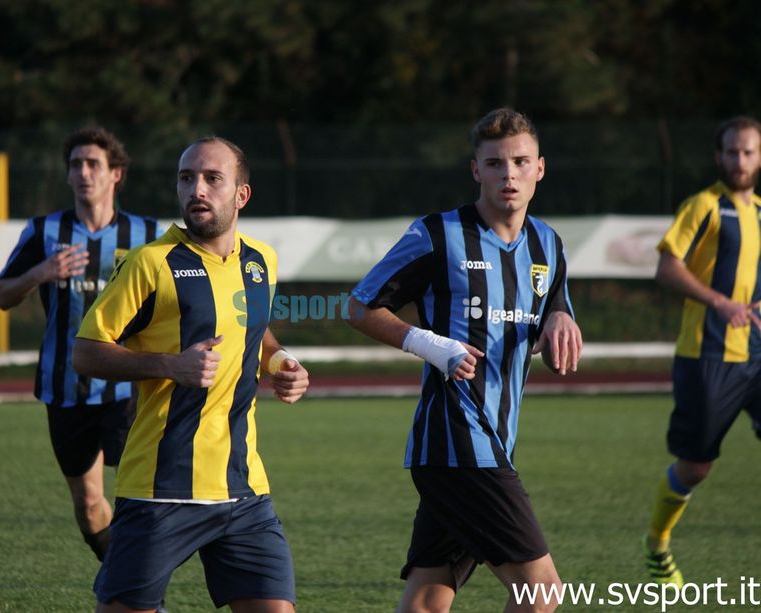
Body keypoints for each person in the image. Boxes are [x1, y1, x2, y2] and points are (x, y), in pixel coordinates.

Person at [347, 108, 583, 612]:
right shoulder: (437, 234)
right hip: (457, 442)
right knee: (540, 592)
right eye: (495, 164)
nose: (509, 175)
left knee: (428, 599)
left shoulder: (548, 244)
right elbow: (360, 306)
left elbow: (554, 307)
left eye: (520, 162)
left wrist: (560, 319)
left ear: (540, 168)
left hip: (489, 445)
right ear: (476, 170)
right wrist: (431, 344)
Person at [72, 135, 310, 613]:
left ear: (241, 195)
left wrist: (282, 362)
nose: (196, 189)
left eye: (211, 179)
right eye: (186, 178)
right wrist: (168, 365)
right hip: (161, 488)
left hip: (243, 489)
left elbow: (256, 331)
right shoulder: (150, 264)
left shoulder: (261, 262)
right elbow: (86, 352)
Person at [0, 126, 159, 563]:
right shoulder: (44, 231)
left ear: (116, 174)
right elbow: (2, 296)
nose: (83, 173)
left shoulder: (147, 235)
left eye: (93, 164)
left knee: (143, 495)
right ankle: (122, 577)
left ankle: (140, 593)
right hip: (65, 388)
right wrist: (41, 273)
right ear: (67, 176)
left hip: (128, 386)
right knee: (89, 509)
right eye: (75, 165)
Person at [641, 115, 761, 587]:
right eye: (732, 152)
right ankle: (657, 543)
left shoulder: (760, 214)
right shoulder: (705, 206)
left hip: (757, 354)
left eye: (748, 152)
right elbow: (667, 269)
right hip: (707, 358)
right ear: (719, 157)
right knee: (696, 466)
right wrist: (718, 302)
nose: (740, 160)